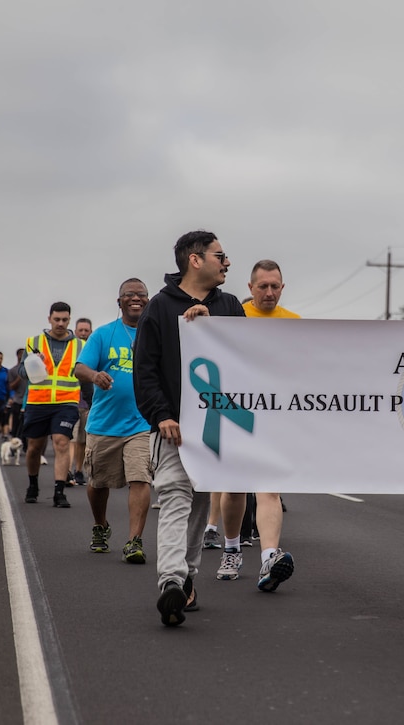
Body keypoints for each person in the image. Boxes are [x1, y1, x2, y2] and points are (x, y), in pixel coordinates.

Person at [133, 230, 245, 627]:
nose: (227, 262)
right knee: (177, 500)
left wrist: (211, 327)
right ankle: (170, 583)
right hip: (173, 430)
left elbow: (247, 359)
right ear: (195, 260)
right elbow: (144, 371)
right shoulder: (160, 308)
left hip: (216, 429)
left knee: (200, 509)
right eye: (220, 255)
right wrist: (162, 415)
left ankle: (188, 577)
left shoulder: (230, 305)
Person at [211, 260, 297, 591]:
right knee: (233, 488)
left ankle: (269, 559)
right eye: (263, 286)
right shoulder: (234, 317)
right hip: (236, 415)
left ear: (282, 287)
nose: (270, 292)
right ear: (250, 288)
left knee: (268, 488)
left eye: (275, 286)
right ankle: (231, 550)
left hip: (275, 419)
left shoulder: (295, 323)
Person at [73, 281, 152, 564]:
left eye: (141, 295)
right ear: (119, 302)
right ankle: (101, 525)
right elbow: (79, 368)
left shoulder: (154, 335)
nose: (136, 298)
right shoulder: (104, 334)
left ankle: (134, 541)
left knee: (140, 478)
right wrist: (95, 376)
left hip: (142, 423)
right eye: (129, 295)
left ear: (148, 301)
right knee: (97, 483)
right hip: (104, 424)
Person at [20, 302, 85, 508]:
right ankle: (33, 485)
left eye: (65, 320)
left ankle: (59, 492)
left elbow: (85, 374)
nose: (60, 323)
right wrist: (33, 362)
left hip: (66, 403)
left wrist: (92, 400)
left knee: (62, 442)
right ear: (49, 319)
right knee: (34, 448)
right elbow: (22, 373)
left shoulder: (80, 345)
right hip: (38, 402)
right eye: (56, 319)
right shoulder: (34, 342)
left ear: (69, 320)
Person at [68, 318, 94, 486]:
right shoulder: (71, 349)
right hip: (69, 401)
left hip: (87, 402)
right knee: (70, 439)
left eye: (86, 330)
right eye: (81, 330)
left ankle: (78, 471)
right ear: (75, 331)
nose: (83, 333)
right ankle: (66, 471)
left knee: (82, 441)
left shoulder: (94, 348)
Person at [5, 348, 27, 442]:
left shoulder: (30, 367)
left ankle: (25, 444)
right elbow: (10, 386)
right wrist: (19, 377)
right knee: (16, 424)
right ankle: (13, 442)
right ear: (18, 356)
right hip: (17, 400)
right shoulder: (12, 370)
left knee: (27, 424)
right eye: (22, 354)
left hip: (29, 400)